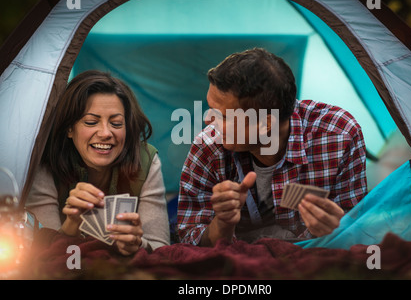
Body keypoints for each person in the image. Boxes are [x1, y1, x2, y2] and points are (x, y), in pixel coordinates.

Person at [177, 48, 367, 246]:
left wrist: (337, 230)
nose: (207, 120)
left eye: (223, 116)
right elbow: (188, 239)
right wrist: (222, 224)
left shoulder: (339, 137)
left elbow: (359, 231)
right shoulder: (208, 147)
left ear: (266, 123)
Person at [26, 70, 170, 256]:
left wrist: (138, 244)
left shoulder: (146, 160)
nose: (105, 133)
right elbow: (42, 254)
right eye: (91, 122)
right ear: (69, 128)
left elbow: (161, 248)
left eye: (116, 124)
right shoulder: (45, 163)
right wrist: (72, 223)